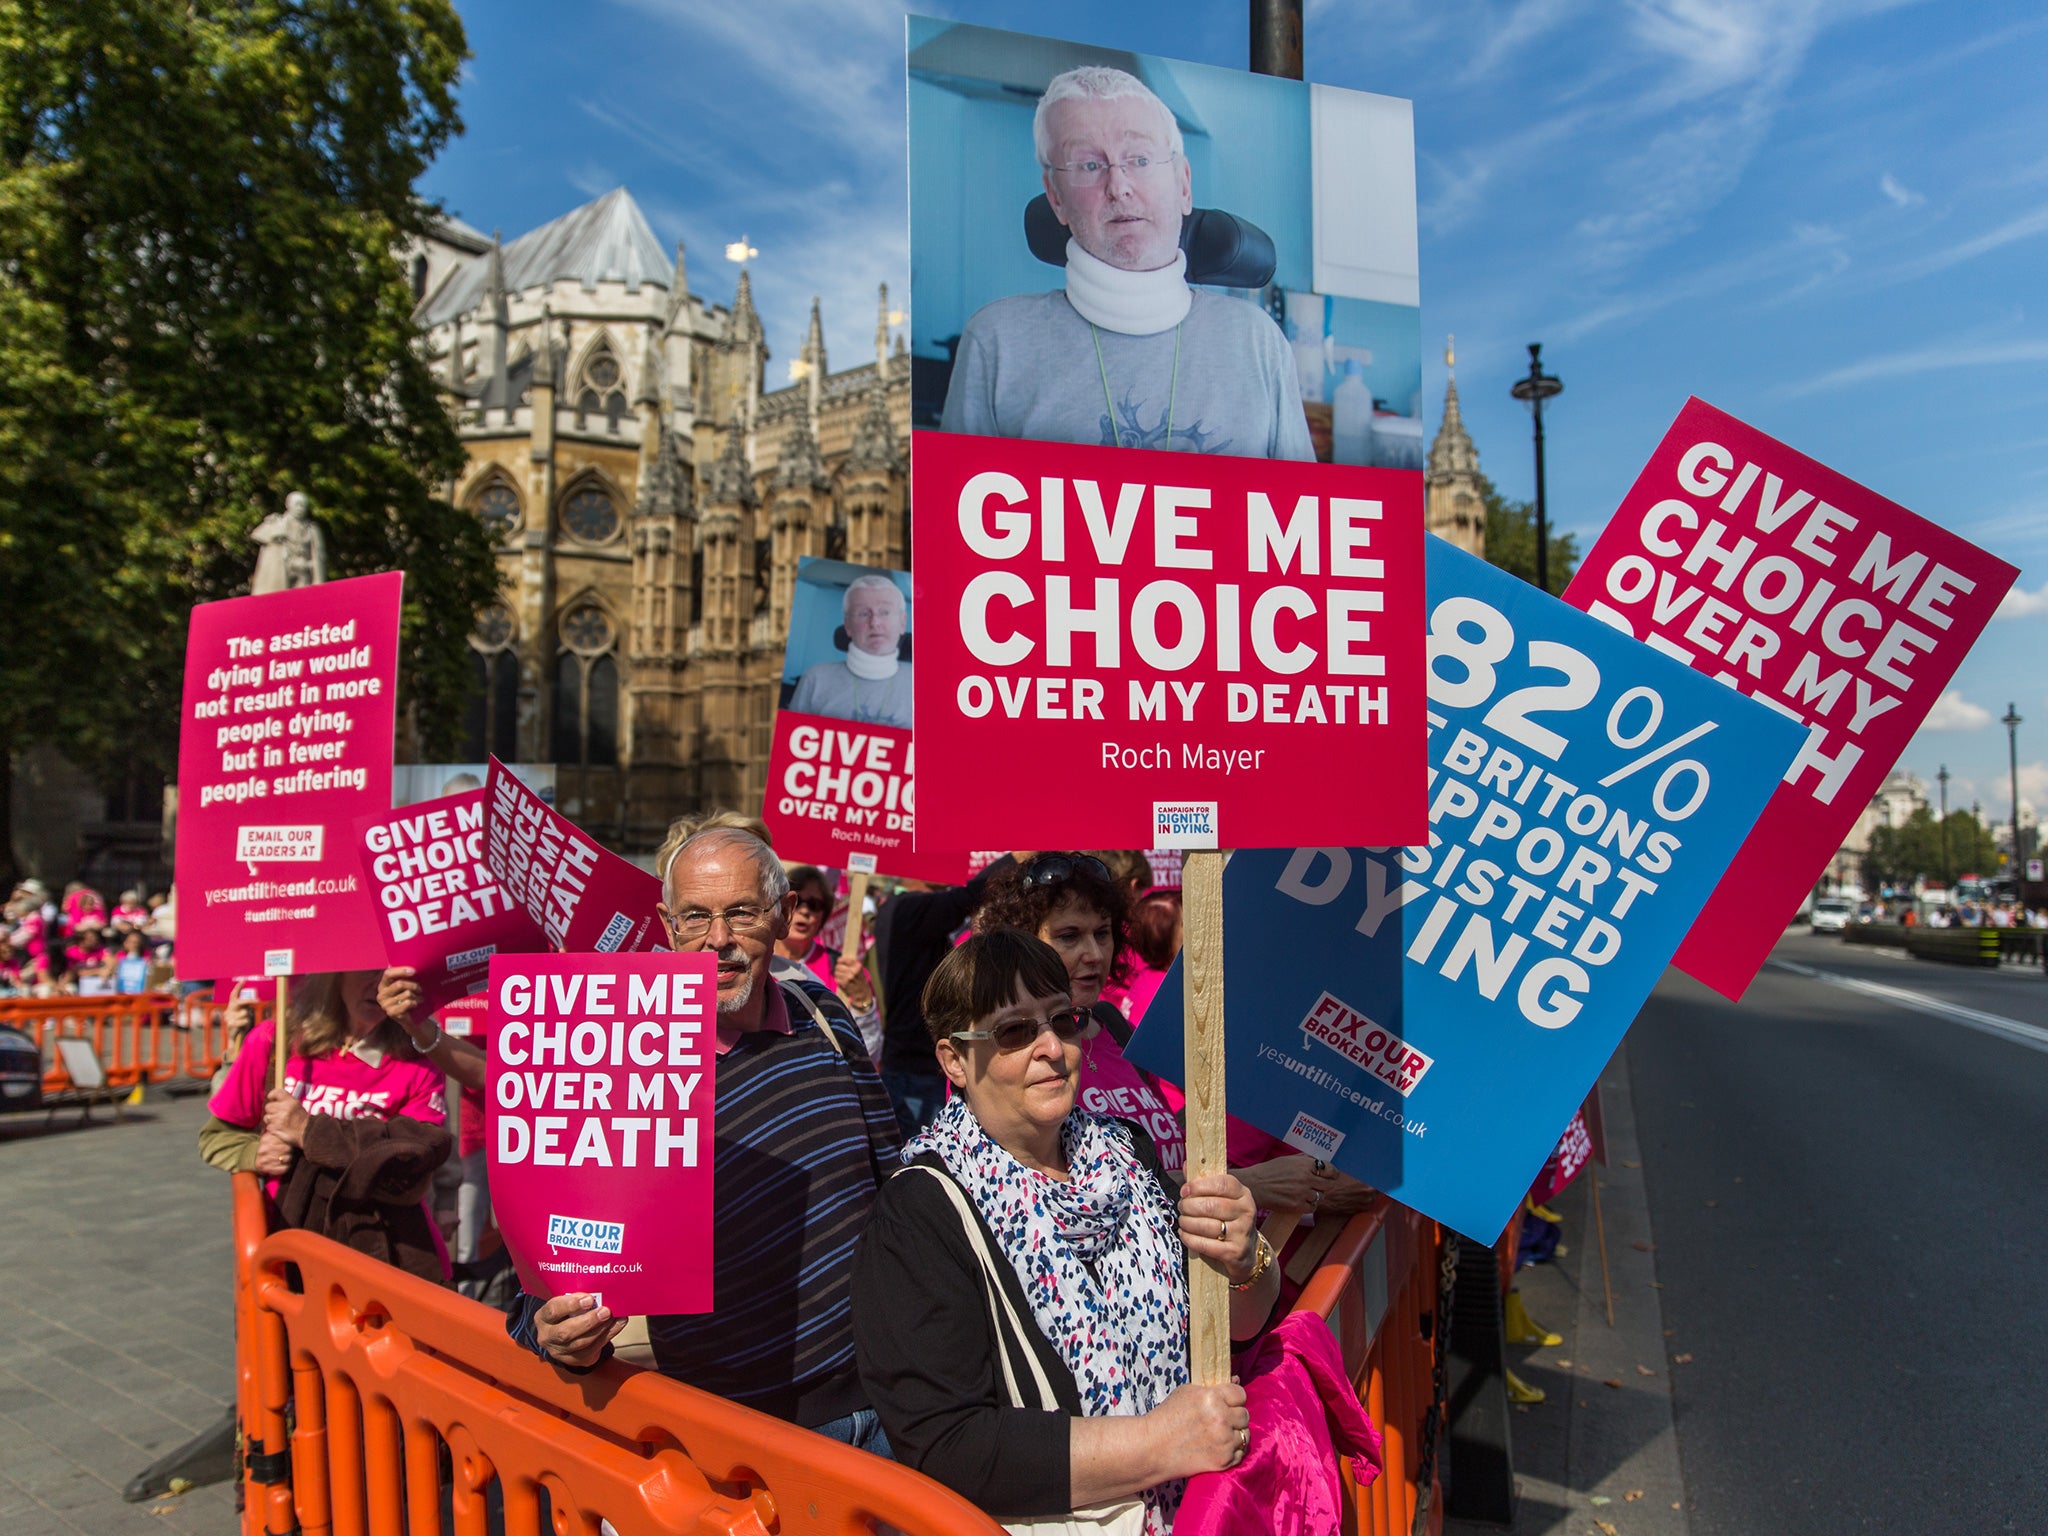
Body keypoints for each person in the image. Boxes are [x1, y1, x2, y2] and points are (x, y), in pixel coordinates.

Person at [852, 929, 1278, 1530]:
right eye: (1014, 1031)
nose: (1051, 1047)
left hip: (1201, 1510)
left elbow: (1232, 1329)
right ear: (953, 1059)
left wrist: (1247, 1260)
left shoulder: (1126, 1150)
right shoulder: (921, 1210)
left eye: (1064, 1020)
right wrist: (1155, 1444)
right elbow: (948, 1444)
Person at [511, 826, 903, 1452]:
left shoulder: (826, 1019)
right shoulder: (624, 1063)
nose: (718, 940)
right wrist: (550, 1330)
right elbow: (553, 1264)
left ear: (778, 916)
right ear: (667, 925)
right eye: (696, 917)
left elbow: (894, 1190)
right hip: (741, 1437)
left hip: (888, 1406)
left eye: (741, 912)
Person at [941, 66, 1313, 462]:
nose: (1118, 186)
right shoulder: (997, 343)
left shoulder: (1259, 344)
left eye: (1139, 158)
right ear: (1056, 200)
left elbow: (1306, 516)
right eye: (1088, 165)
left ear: (1183, 185)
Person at [976, 853, 1187, 1171]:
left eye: (1102, 933)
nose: (1094, 954)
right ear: (1022, 941)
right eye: (1069, 936)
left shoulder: (1115, 1026)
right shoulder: (1004, 1046)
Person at [869, 855, 1020, 1135]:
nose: (951, 865)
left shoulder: (904, 909)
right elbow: (968, 896)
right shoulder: (906, 907)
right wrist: (1016, 858)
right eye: (937, 856)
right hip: (914, 1074)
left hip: (921, 1069)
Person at [774, 865, 882, 1059]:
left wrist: (862, 1003)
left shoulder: (846, 972)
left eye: (815, 905)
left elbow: (870, 1055)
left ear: (824, 915)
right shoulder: (756, 960)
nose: (805, 911)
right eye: (797, 901)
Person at [788, 574, 912, 728]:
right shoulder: (815, 679)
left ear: (902, 623)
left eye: (885, 612)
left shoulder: (924, 685)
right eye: (863, 614)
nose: (875, 623)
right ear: (847, 626)